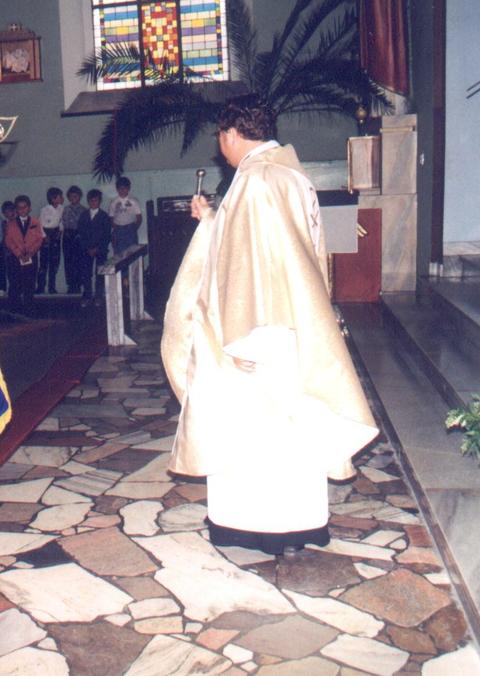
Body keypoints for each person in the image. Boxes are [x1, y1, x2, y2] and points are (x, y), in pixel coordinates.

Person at [161, 95, 379, 556]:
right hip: (290, 320)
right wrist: (213, 221)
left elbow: (255, 262)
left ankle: (255, 527)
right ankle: (297, 524)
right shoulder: (288, 173)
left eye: (221, 139)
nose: (221, 150)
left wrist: (248, 338)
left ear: (233, 134)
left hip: (259, 328)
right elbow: (267, 248)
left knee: (258, 436)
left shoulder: (257, 180)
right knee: (289, 432)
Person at [3, 194, 43, 314]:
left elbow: (39, 239)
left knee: (29, 282)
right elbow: (8, 240)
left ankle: (29, 308)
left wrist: (30, 252)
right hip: (16, 258)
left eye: (24, 207)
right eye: (19, 208)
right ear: (16, 209)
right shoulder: (10, 224)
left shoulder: (36, 222)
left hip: (31, 256)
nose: (22, 210)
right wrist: (19, 253)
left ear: (29, 208)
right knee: (15, 282)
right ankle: (14, 309)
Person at [77, 188, 112, 305]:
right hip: (86, 249)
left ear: (100, 201)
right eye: (91, 201)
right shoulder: (83, 216)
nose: (93, 203)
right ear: (88, 201)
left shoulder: (104, 216)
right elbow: (81, 233)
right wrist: (88, 248)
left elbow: (107, 235)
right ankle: (87, 295)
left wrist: (97, 248)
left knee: (100, 274)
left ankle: (98, 296)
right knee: (86, 273)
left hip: (100, 249)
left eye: (96, 201)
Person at [37, 187, 64, 295]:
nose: (62, 198)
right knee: (44, 263)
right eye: (60, 197)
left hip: (56, 234)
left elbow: (61, 221)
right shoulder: (45, 210)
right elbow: (39, 225)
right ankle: (40, 287)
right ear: (53, 199)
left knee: (54, 263)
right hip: (46, 235)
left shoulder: (61, 208)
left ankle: (52, 287)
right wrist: (44, 236)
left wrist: (61, 230)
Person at [108, 176, 142, 255]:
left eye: (124, 188)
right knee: (119, 254)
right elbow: (111, 217)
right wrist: (116, 229)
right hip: (118, 229)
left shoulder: (134, 201)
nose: (122, 190)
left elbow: (139, 218)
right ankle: (121, 268)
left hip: (130, 229)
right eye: (120, 188)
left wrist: (133, 228)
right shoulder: (114, 202)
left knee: (132, 253)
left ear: (128, 189)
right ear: (117, 189)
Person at [61, 186, 86, 294]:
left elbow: (85, 225)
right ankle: (70, 285)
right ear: (68, 197)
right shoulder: (65, 209)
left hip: (79, 236)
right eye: (71, 196)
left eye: (76, 196)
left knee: (79, 261)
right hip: (67, 236)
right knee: (68, 262)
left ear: (79, 197)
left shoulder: (84, 210)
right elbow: (63, 223)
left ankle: (78, 285)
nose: (73, 198)